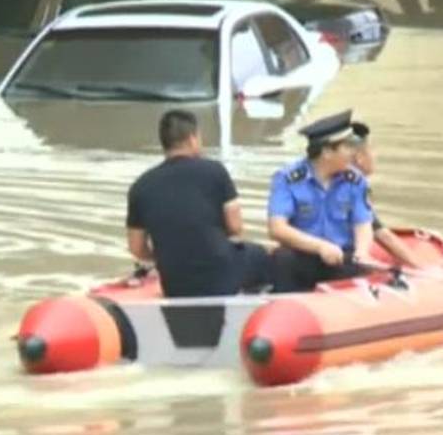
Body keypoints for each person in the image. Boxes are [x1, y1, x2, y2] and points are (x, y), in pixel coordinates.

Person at [126, 110, 271, 297]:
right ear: (193, 138)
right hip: (221, 276)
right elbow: (236, 228)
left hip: (175, 283)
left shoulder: (140, 186)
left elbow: (136, 248)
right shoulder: (215, 171)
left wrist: (164, 258)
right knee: (261, 255)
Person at [267, 110, 374, 293]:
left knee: (360, 269)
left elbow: (362, 224)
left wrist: (362, 252)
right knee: (282, 258)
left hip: (341, 257)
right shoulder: (287, 179)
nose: (353, 153)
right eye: (347, 147)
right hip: (303, 255)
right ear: (326, 152)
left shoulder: (355, 181)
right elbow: (277, 228)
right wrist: (320, 247)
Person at [350, 121, 428, 269]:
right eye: (371, 150)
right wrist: (422, 268)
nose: (375, 155)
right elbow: (383, 236)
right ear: (360, 157)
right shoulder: (351, 187)